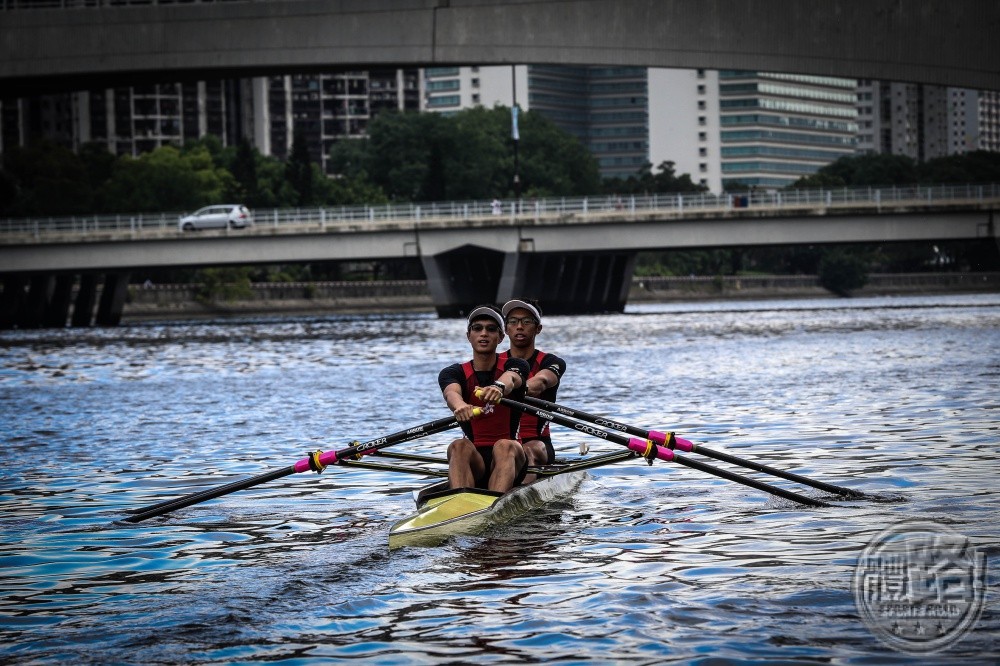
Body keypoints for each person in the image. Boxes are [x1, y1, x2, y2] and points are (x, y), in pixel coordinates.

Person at [439, 305, 531, 492]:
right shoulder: (453, 372)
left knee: (504, 446)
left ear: (501, 337)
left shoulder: (516, 364)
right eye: (477, 328)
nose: (484, 334)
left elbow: (511, 378)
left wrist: (498, 387)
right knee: (458, 446)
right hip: (475, 461)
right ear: (469, 336)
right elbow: (451, 394)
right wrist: (460, 406)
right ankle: (459, 504)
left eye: (491, 329)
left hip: (512, 457)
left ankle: (494, 507)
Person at [499, 299, 566, 473]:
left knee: (527, 451)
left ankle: (516, 494)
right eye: (513, 322)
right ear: (506, 329)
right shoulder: (495, 363)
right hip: (501, 444)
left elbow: (542, 382)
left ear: (538, 329)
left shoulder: (551, 362)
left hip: (537, 443)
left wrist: (514, 389)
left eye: (526, 321)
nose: (519, 326)